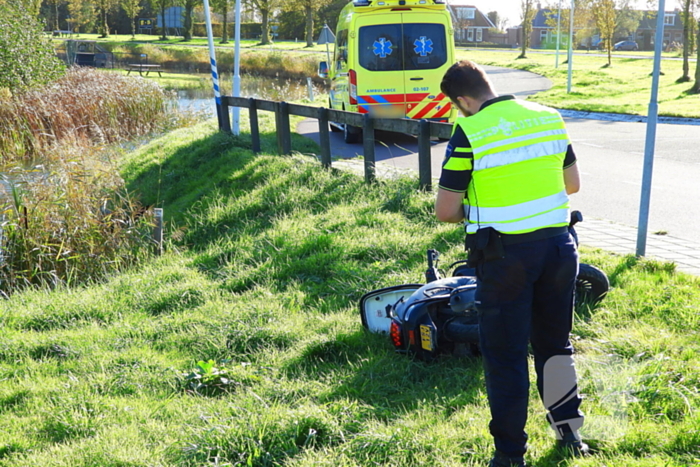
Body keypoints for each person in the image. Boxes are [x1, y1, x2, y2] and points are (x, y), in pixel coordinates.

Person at [434, 60, 588, 467]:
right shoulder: (549, 118)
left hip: (505, 259)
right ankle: (570, 434)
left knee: (505, 356)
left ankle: (509, 455)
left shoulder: (470, 130)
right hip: (559, 249)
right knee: (556, 347)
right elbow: (571, 185)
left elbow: (446, 210)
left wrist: (480, 209)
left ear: (463, 100)